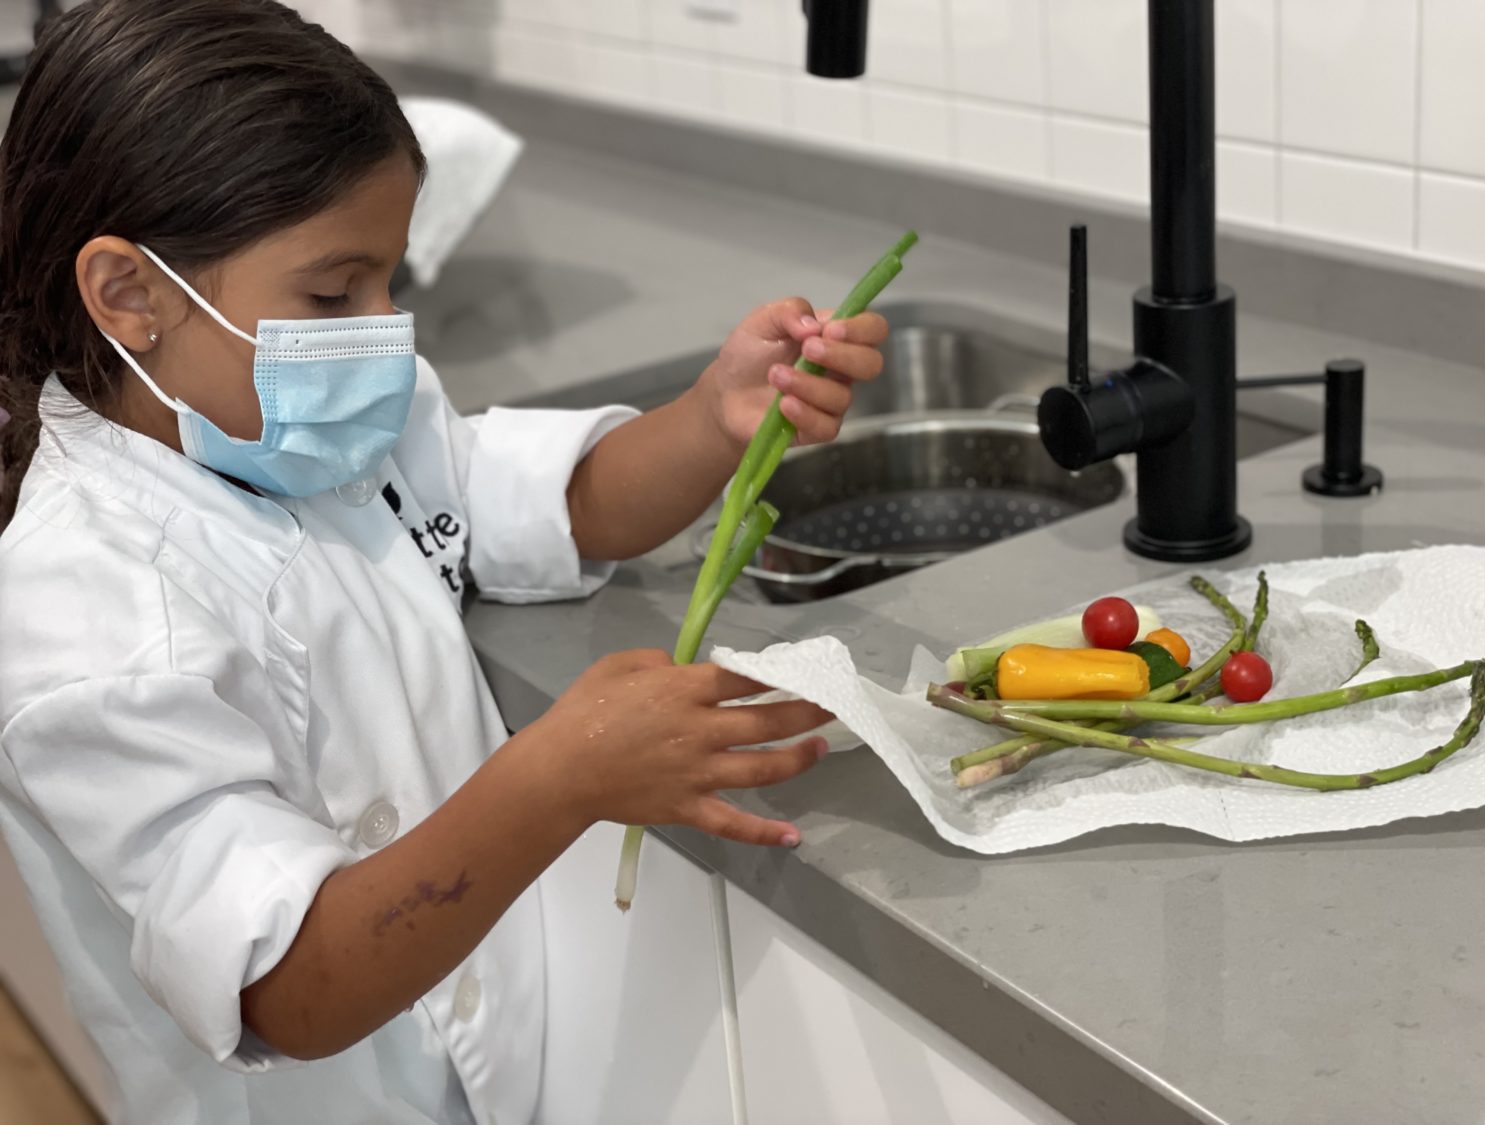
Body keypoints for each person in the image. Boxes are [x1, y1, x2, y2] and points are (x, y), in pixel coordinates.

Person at [0, 3, 888, 1123]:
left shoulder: (313, 424)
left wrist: (714, 419)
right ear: (130, 296)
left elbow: (548, 500)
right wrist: (556, 777)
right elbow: (284, 991)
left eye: (391, 286)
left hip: (502, 1069)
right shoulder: (91, 621)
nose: (383, 332)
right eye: (333, 294)